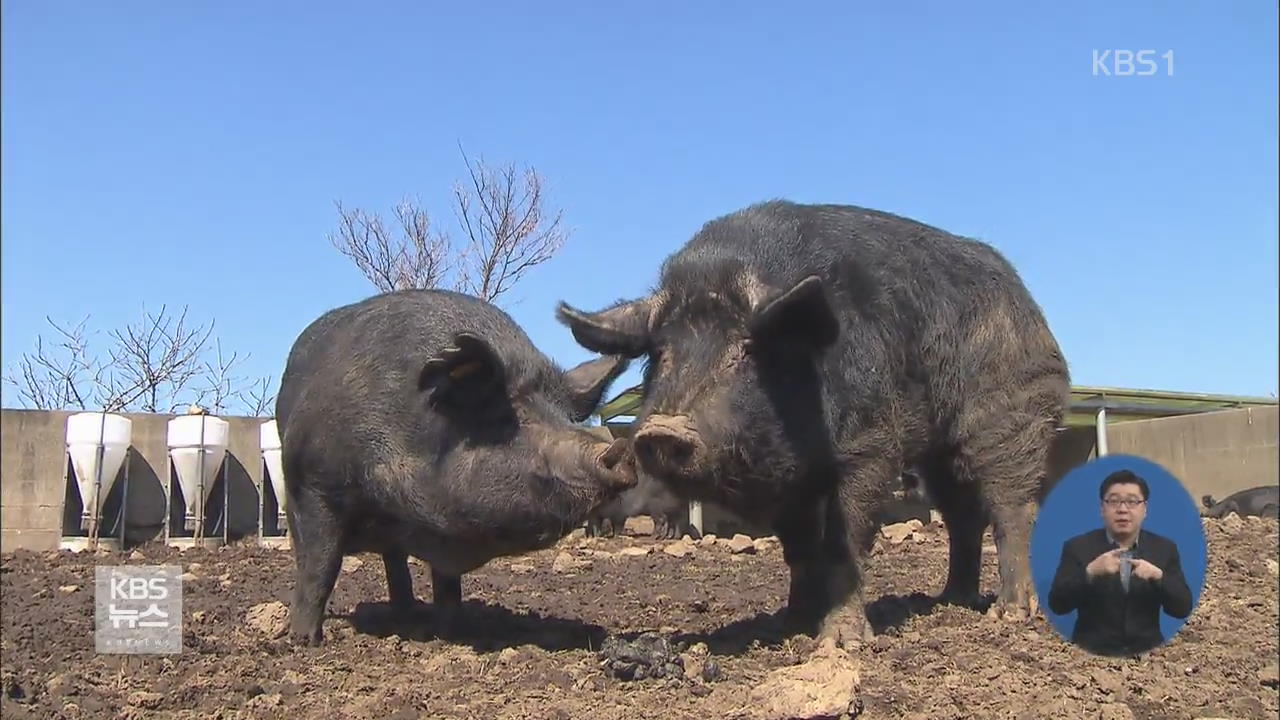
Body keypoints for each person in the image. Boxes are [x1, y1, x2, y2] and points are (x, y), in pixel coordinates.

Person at [1047, 469, 1194, 656]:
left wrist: (1159, 578)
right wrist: (1090, 573)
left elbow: (1182, 609)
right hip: (1091, 657)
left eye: (1132, 502)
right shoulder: (1077, 547)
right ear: (1102, 508)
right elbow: (1058, 605)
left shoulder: (1164, 549)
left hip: (1149, 657)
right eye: (1114, 501)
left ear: (1145, 509)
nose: (1123, 509)